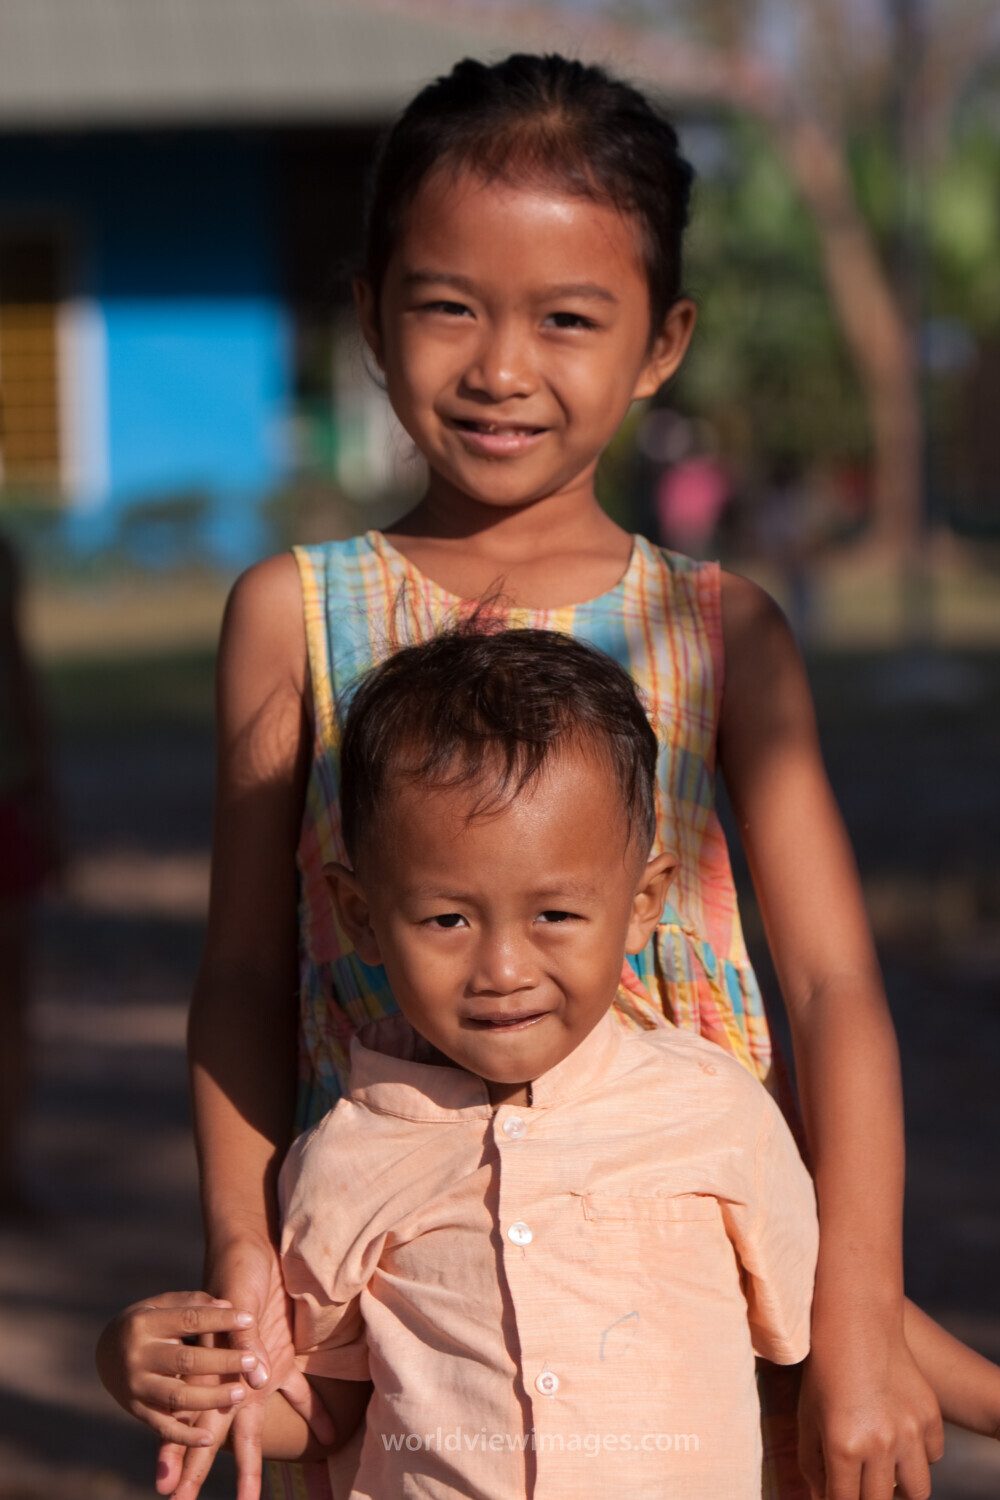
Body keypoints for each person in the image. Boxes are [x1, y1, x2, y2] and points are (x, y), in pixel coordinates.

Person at [116, 52, 999, 1500]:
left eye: (568, 319)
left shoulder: (725, 634)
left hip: (691, 1276)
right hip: (423, 1280)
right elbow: (242, 974)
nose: (502, 367)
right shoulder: (292, 616)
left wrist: (853, 1324)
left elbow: (837, 985)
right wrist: (241, 1246)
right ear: (369, 317)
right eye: (449, 308)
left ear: (662, 345)